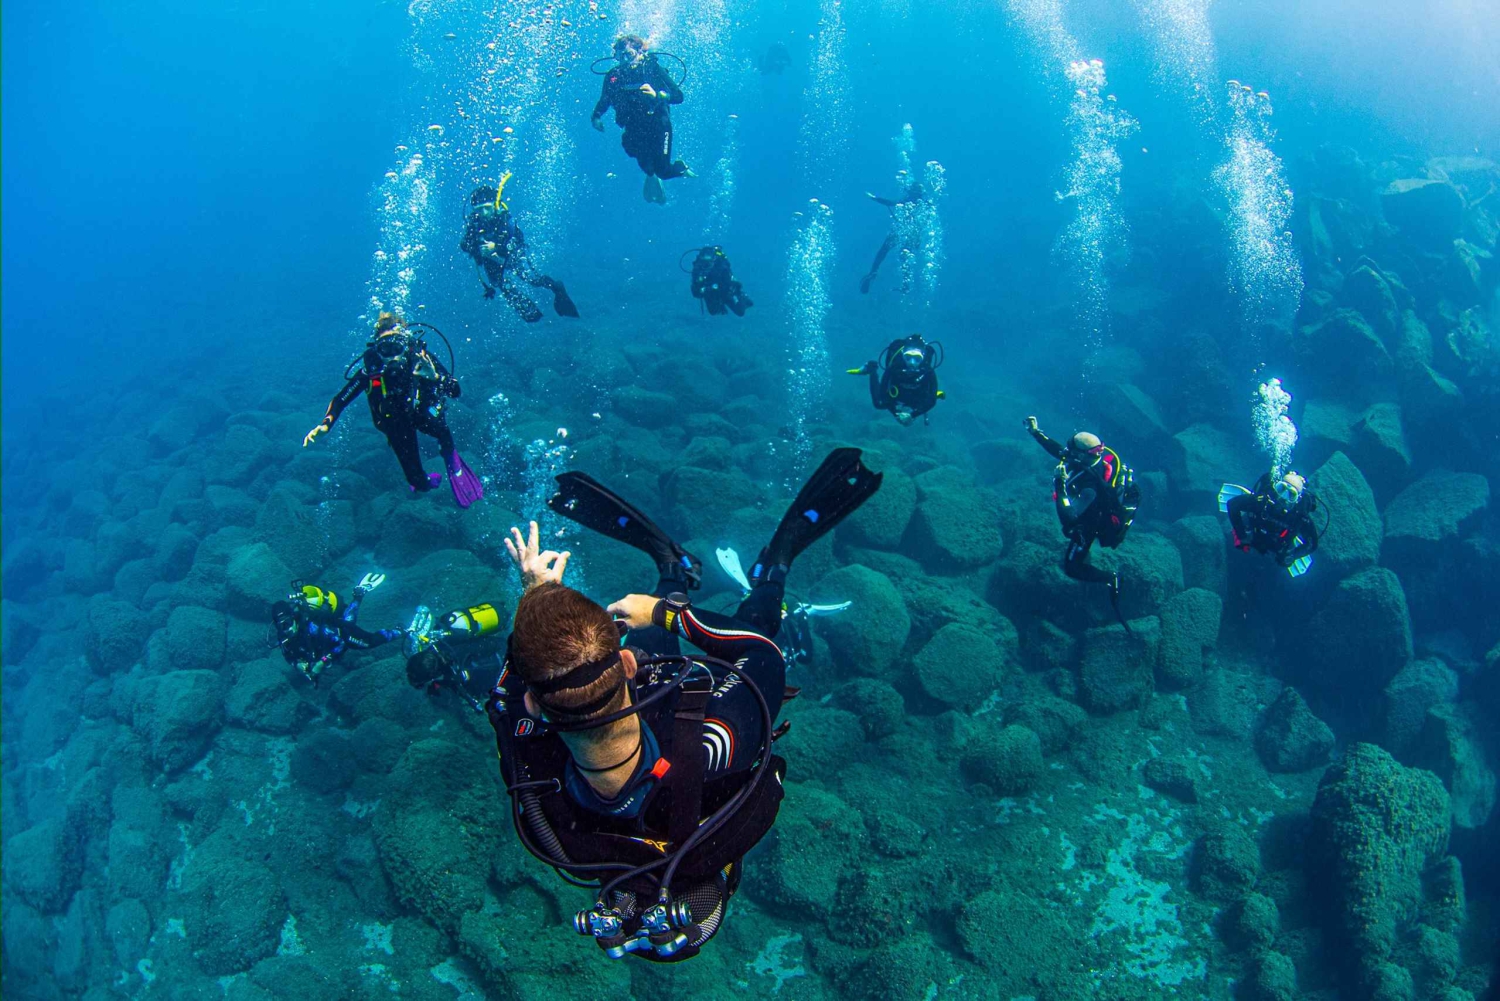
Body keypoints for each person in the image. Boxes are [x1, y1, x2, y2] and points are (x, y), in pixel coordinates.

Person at [487, 449, 882, 962]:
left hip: (642, 765)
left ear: (536, 708)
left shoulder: (531, 763)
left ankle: (673, 567)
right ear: (626, 664)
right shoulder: (713, 740)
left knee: (661, 666)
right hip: (682, 738)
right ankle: (768, 572)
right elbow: (762, 655)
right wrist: (671, 615)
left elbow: (510, 692)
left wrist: (537, 597)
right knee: (743, 629)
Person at [303, 313, 484, 508]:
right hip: (396, 422)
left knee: (441, 429)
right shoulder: (373, 370)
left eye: (396, 345)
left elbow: (455, 391)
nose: (392, 354)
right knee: (418, 483)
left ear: (406, 343)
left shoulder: (421, 360)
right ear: (377, 350)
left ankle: (450, 457)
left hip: (422, 412)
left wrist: (434, 377)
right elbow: (340, 399)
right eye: (385, 348)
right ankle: (425, 480)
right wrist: (326, 424)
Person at [1024, 416, 1140, 629]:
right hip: (1093, 509)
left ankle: (1109, 578)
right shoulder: (1092, 458)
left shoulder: (1090, 486)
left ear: (1083, 454)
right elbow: (1061, 452)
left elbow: (1068, 517)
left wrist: (1060, 485)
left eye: (1072, 449)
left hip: (1091, 523)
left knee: (1072, 567)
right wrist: (1036, 432)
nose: (1068, 452)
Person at [460, 174, 579, 323]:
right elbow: (464, 244)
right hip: (491, 261)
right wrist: (477, 248)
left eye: (486, 208)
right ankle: (531, 314)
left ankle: (558, 289)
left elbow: (518, 240)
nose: (483, 213)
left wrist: (496, 246)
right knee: (500, 284)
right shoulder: (474, 223)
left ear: (494, 205)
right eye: (479, 210)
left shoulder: (504, 219)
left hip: (511, 257)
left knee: (532, 280)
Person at [591, 34, 689, 204]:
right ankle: (652, 177)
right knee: (640, 159)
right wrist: (596, 116)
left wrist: (657, 94)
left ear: (640, 51)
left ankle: (681, 168)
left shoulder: (652, 69)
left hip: (659, 124)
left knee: (663, 171)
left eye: (628, 55)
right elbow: (605, 99)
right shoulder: (614, 76)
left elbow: (678, 96)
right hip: (633, 126)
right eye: (619, 56)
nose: (624, 61)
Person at [270, 574, 403, 686]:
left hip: (340, 632)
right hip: (330, 636)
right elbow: (288, 657)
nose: (286, 629)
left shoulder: (312, 627)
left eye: (287, 623)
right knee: (348, 623)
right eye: (281, 626)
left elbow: (340, 643)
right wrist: (298, 665)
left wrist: (321, 664)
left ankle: (401, 631)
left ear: (293, 617)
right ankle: (358, 596)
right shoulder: (284, 638)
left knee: (367, 640)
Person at [1219, 471, 1321, 577]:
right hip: (1253, 532)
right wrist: (1242, 534)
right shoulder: (1261, 500)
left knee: (1277, 569)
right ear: (1275, 486)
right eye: (1281, 489)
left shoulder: (1300, 516)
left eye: (1291, 494)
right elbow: (1233, 504)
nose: (1283, 497)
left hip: (1278, 546)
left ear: (1298, 499)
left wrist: (1291, 555)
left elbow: (1312, 544)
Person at [849, 334, 945, 426]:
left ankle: (934, 393)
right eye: (908, 358)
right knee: (878, 404)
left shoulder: (928, 370)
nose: (912, 363)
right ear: (903, 355)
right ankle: (871, 369)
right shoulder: (894, 367)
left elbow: (931, 401)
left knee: (923, 402)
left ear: (923, 357)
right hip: (897, 393)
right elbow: (883, 394)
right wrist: (896, 414)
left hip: (916, 396)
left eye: (917, 359)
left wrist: (912, 415)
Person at [859, 179, 926, 294]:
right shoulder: (924, 204)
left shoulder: (906, 200)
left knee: (883, 251)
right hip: (912, 234)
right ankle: (906, 285)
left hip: (899, 231)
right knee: (905, 257)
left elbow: (890, 202)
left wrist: (873, 197)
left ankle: (873, 272)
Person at [687, 246, 752, 317]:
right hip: (711, 293)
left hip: (726, 292)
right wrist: (706, 289)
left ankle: (742, 296)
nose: (707, 263)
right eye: (704, 260)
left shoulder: (721, 267)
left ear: (714, 258)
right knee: (713, 312)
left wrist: (709, 288)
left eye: (709, 259)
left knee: (740, 312)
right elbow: (695, 292)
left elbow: (727, 284)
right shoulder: (697, 270)